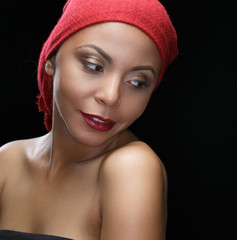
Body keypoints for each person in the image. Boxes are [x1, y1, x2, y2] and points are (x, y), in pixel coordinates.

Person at [0, 0, 178, 239]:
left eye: (137, 82)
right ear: (51, 59)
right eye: (94, 66)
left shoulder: (131, 168)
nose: (111, 96)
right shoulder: (7, 161)